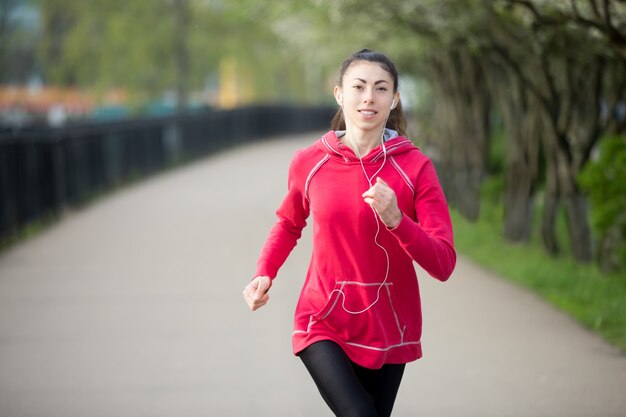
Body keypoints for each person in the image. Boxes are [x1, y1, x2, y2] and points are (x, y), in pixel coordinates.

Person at [243, 48, 456, 417]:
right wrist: (264, 272)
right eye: (358, 87)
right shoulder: (310, 161)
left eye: (380, 88)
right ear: (340, 94)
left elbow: (443, 262)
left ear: (395, 99)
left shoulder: (416, 168)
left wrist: (397, 220)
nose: (369, 97)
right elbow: (289, 222)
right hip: (323, 317)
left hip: (389, 323)